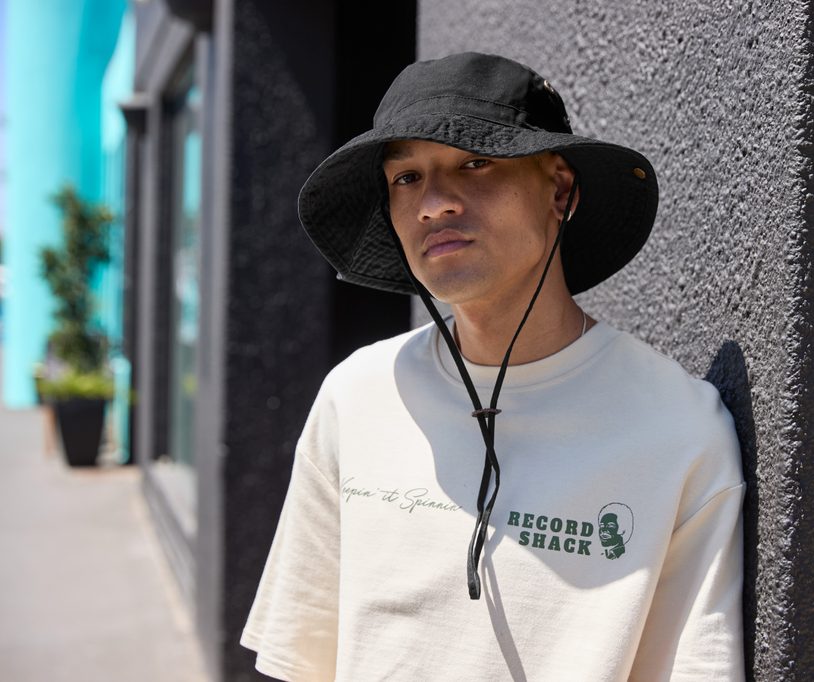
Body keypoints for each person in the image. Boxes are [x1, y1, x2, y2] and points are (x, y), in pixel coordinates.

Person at [241, 52, 745, 681]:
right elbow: (303, 660)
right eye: (407, 178)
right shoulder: (357, 396)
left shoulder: (677, 430)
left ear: (559, 189)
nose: (434, 204)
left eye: (474, 163)